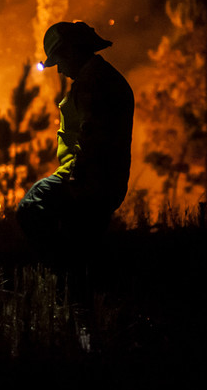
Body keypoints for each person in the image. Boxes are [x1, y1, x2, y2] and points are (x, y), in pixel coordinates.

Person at [17, 21, 134, 267]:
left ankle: (58, 275)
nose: (59, 70)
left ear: (70, 51)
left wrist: (75, 183)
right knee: (83, 249)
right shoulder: (102, 78)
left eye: (59, 61)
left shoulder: (94, 84)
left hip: (89, 182)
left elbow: (93, 139)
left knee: (32, 205)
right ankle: (75, 289)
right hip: (102, 182)